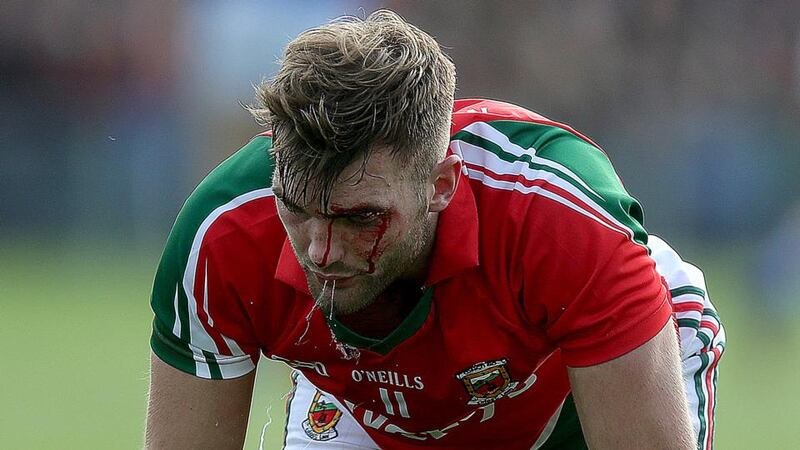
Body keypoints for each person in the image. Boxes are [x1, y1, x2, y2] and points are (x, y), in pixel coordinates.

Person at [145, 10, 724, 450]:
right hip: (368, 408)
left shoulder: (559, 221)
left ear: (441, 184)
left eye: (360, 217)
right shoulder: (222, 237)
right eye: (297, 208)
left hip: (574, 396)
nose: (319, 252)